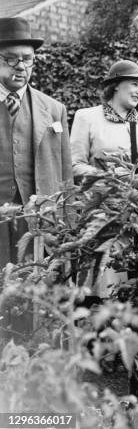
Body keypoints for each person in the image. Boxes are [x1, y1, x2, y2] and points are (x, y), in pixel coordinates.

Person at [70, 59, 138, 296]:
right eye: (134, 84)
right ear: (116, 85)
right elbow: (74, 165)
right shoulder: (87, 117)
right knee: (104, 287)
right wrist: (110, 178)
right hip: (102, 214)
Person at [0, 17, 72, 268]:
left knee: (34, 295)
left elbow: (65, 177)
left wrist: (68, 232)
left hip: (40, 223)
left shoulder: (54, 109)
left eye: (27, 59)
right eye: (10, 58)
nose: (20, 66)